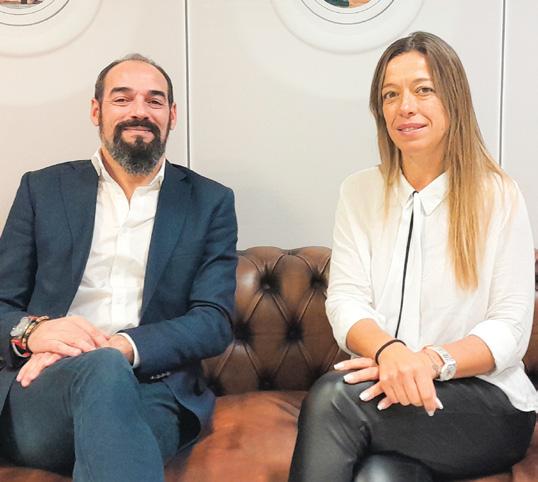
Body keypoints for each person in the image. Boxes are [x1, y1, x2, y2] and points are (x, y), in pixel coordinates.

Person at [288, 31, 537, 482]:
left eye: (423, 90)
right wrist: (390, 352)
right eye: (391, 94)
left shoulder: (498, 195)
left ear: (453, 100)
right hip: (392, 389)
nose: (405, 106)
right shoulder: (359, 192)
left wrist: (429, 361)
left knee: (333, 399)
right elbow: (346, 300)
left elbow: (510, 329)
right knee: (380, 475)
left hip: (487, 404)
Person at [0, 53, 237, 482]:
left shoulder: (209, 201)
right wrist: (34, 332)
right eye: (122, 99)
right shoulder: (42, 189)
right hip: (46, 384)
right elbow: (2, 304)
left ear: (172, 115)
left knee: (110, 389)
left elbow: (213, 320)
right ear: (97, 111)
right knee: (111, 405)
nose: (139, 112)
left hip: (153, 387)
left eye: (154, 101)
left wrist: (123, 346)